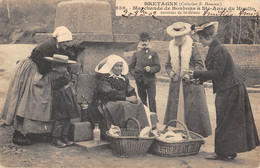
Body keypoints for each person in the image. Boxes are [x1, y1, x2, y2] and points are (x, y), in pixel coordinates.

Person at [188, 21, 259, 160]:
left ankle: (221, 152)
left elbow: (217, 73)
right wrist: (200, 80)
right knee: (228, 122)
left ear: (208, 37)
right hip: (229, 88)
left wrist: (196, 74)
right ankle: (228, 152)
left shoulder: (219, 49)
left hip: (231, 90)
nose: (200, 42)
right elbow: (216, 72)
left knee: (224, 121)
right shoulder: (215, 48)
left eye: (201, 39)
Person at [1, 26, 74, 145]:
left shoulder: (57, 46)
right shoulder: (45, 47)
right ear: (58, 40)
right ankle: (18, 134)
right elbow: (42, 67)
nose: (66, 44)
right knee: (27, 102)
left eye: (68, 42)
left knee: (37, 103)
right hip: (32, 71)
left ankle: (33, 133)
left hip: (39, 71)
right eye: (64, 42)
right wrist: (54, 73)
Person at [163, 22, 212, 138]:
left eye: (180, 36)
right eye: (176, 37)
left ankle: (193, 135)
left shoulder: (192, 46)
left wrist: (190, 74)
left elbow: (200, 65)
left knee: (192, 110)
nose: (178, 39)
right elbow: (167, 65)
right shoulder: (171, 47)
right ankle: (177, 133)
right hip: (176, 84)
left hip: (191, 83)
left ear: (185, 35)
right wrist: (171, 73)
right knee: (175, 109)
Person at [95, 55, 152, 130]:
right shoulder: (105, 79)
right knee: (124, 105)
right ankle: (126, 129)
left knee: (139, 102)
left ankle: (140, 128)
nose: (119, 68)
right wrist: (126, 98)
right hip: (110, 102)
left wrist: (133, 96)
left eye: (121, 66)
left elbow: (130, 89)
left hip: (124, 100)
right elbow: (109, 95)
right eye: (117, 66)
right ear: (111, 66)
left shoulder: (124, 78)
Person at [44, 54, 80, 148]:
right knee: (60, 118)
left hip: (67, 97)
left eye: (65, 66)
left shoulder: (65, 73)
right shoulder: (53, 74)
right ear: (55, 66)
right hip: (59, 98)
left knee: (68, 117)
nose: (64, 68)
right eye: (62, 66)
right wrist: (66, 77)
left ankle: (65, 136)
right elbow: (56, 85)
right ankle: (56, 138)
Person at [129, 32, 161, 115]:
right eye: (142, 41)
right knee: (142, 100)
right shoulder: (136, 54)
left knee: (152, 99)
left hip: (150, 80)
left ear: (149, 41)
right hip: (140, 80)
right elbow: (131, 67)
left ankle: (154, 118)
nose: (144, 43)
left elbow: (158, 67)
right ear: (140, 42)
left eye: (145, 41)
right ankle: (145, 117)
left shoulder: (153, 54)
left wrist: (150, 69)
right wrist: (134, 74)